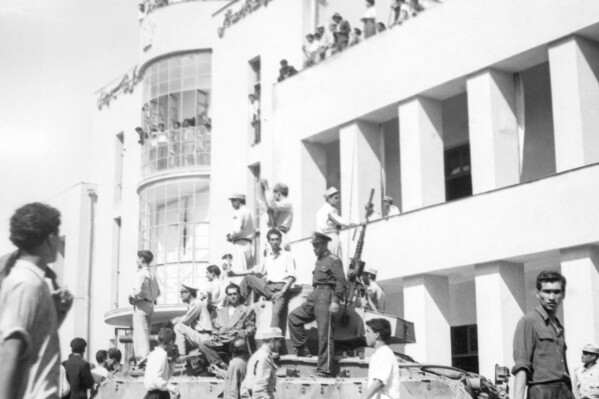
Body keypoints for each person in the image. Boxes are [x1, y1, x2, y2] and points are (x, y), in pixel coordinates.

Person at [0, 202, 73, 399]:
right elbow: (10, 353)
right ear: (50, 238)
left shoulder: (31, 281)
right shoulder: (27, 284)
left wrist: (58, 313)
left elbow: (33, 347)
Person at [288, 232, 347, 377]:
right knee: (294, 317)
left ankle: (324, 369)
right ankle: (302, 348)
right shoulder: (319, 260)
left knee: (324, 334)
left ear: (324, 244)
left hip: (326, 296)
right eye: (313, 246)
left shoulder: (333, 260)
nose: (314, 249)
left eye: (316, 246)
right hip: (314, 295)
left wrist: (335, 301)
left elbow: (341, 281)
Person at [512, 271, 573, 399]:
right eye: (547, 291)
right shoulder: (528, 322)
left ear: (563, 294)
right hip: (542, 391)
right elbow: (522, 365)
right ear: (538, 293)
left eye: (556, 292)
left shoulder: (558, 325)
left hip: (565, 390)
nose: (552, 297)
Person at [235, 229, 296, 334]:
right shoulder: (268, 258)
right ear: (269, 242)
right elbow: (256, 270)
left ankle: (272, 340)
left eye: (277, 239)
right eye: (272, 240)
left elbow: (292, 277)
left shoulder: (287, 255)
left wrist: (282, 292)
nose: (275, 242)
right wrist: (236, 273)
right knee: (248, 278)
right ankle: (237, 307)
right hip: (267, 287)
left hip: (280, 289)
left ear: (281, 241)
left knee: (276, 313)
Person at [198, 283, 256, 369]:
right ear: (227, 296)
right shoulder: (221, 310)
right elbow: (216, 326)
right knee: (203, 344)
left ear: (239, 295)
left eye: (235, 294)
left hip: (234, 340)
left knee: (238, 343)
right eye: (230, 294)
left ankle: (237, 365)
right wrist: (215, 334)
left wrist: (246, 331)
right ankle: (221, 364)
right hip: (221, 341)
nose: (232, 296)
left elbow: (251, 326)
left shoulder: (246, 310)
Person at [129, 250, 161, 362]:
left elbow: (138, 291)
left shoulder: (141, 273)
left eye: (138, 258)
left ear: (142, 259)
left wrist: (132, 297)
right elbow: (158, 292)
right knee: (145, 332)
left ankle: (142, 359)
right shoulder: (152, 274)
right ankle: (144, 358)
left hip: (141, 305)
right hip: (150, 305)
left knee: (140, 333)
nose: (136, 260)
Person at [240, 327, 284, 399]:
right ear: (273, 340)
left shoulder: (257, 355)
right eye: (279, 341)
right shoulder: (265, 357)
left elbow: (245, 386)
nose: (280, 345)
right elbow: (259, 389)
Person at [362, 319, 400, 399]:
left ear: (377, 334)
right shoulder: (379, 353)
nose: (366, 335)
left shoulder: (384, 353)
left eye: (368, 331)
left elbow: (379, 381)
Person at [173, 282, 212, 356]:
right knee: (179, 331)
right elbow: (186, 318)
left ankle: (181, 356)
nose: (180, 295)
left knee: (178, 327)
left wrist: (176, 321)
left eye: (182, 292)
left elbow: (186, 321)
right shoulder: (193, 304)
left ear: (188, 293)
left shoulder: (197, 304)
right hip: (199, 336)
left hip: (204, 337)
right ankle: (184, 359)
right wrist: (178, 319)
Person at [316, 187, 356, 258]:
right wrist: (357, 223)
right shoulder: (330, 210)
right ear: (329, 199)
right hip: (331, 238)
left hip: (322, 241)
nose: (338, 200)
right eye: (336, 198)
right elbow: (343, 222)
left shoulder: (320, 211)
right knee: (335, 260)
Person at [144, 327, 180, 399]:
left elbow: (165, 378)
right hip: (158, 395)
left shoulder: (153, 354)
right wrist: (172, 388)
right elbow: (156, 379)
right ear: (171, 342)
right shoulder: (162, 355)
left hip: (152, 395)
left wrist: (173, 361)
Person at [260, 179, 293, 251]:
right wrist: (269, 214)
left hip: (281, 236)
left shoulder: (286, 203)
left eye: (274, 193)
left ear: (278, 193)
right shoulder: (279, 205)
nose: (273, 196)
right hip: (274, 234)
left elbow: (272, 204)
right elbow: (270, 224)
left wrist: (266, 188)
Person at [227, 194, 256, 272]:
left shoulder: (239, 212)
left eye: (233, 201)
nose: (232, 205)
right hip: (249, 245)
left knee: (239, 271)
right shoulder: (250, 212)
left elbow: (237, 229)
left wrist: (230, 236)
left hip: (240, 244)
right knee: (248, 271)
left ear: (238, 201)